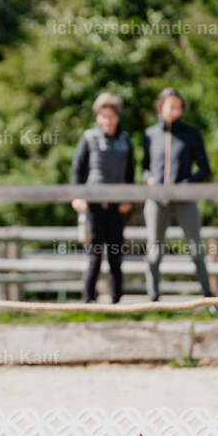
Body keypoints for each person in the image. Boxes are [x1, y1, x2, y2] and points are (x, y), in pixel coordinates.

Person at [141, 87, 213, 300]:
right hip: (156, 201)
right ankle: (152, 300)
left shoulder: (192, 134)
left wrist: (184, 185)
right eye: (171, 106)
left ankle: (209, 297)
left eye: (178, 107)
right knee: (154, 251)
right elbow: (144, 167)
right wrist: (149, 179)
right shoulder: (150, 135)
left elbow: (204, 169)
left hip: (185, 201)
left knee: (195, 250)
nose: (175, 111)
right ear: (160, 107)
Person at [71, 93, 134, 303]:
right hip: (93, 209)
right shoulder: (88, 138)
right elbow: (77, 170)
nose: (107, 121)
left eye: (111, 116)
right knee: (94, 259)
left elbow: (131, 173)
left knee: (116, 259)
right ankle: (87, 305)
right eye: (103, 116)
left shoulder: (125, 140)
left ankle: (117, 305)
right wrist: (77, 196)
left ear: (117, 117)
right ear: (98, 117)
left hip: (117, 209)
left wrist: (129, 198)